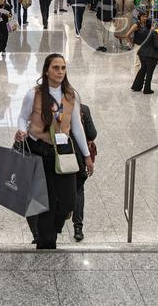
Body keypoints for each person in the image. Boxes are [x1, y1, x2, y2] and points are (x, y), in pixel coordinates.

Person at [15, 54, 93, 249]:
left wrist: (86, 156)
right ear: (47, 70)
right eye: (56, 68)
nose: (60, 72)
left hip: (63, 152)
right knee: (45, 200)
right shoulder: (34, 94)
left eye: (63, 68)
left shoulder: (70, 95)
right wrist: (22, 130)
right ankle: (46, 241)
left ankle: (51, 230)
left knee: (68, 201)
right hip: (38, 151)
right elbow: (22, 117)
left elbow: (77, 127)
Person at [72, 103, 97, 242]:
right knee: (78, 190)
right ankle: (78, 227)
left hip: (57, 158)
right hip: (78, 158)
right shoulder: (83, 109)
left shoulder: (53, 108)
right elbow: (92, 133)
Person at [132, 18, 158, 94]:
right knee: (149, 72)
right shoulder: (153, 33)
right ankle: (147, 89)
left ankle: (136, 87)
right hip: (151, 55)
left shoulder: (142, 30)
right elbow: (156, 45)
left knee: (142, 70)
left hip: (142, 53)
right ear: (153, 24)